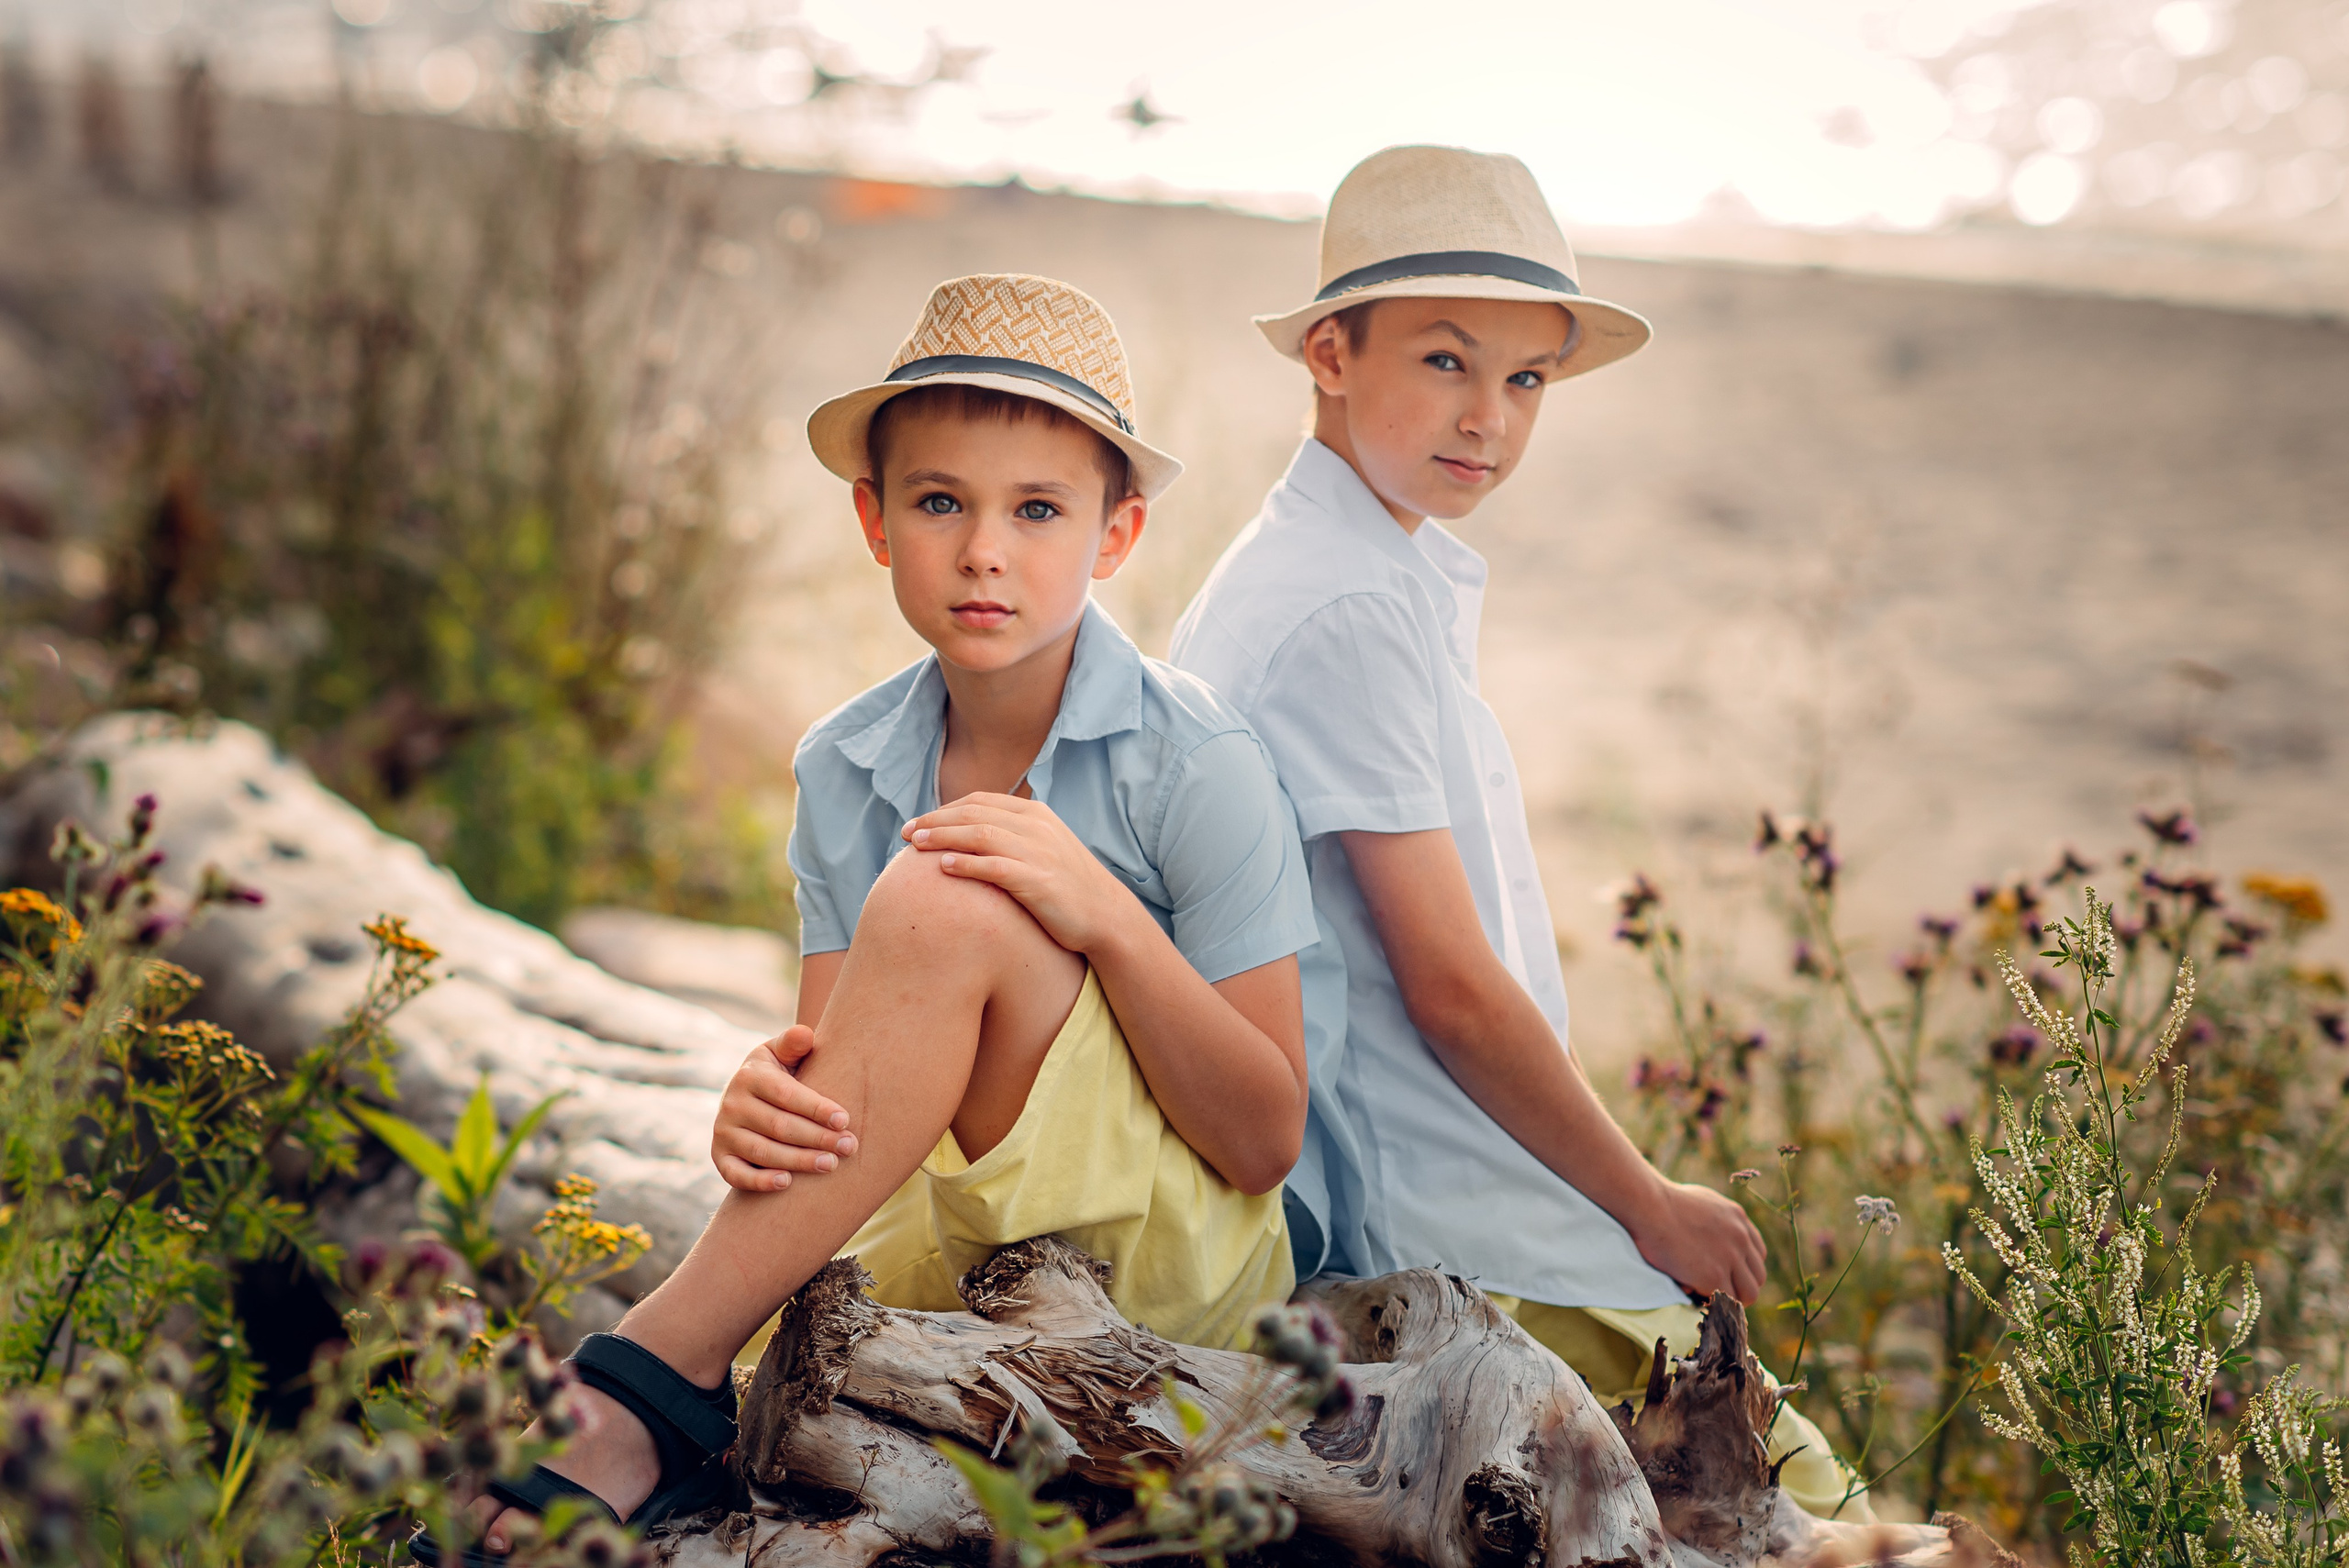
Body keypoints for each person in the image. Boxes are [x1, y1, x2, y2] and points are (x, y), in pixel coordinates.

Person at [430, 273, 1317, 1565]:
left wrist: (1109, 921)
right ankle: (664, 1391)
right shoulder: (847, 765)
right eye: (941, 501)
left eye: (1039, 510)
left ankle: (645, 1387)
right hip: (943, 1262)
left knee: (950, 894)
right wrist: (761, 1098)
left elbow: (1264, 1136)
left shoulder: (1195, 761)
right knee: (934, 898)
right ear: (875, 517)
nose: (984, 551)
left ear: (1115, 537)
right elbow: (839, 1110)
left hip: (1167, 1272)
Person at [1165, 144, 1871, 1519]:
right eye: (1445, 360)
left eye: (1527, 377)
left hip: (1458, 1172)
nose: (1488, 415)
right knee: (1816, 1513)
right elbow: (1452, 990)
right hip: (1452, 1212)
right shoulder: (1349, 606)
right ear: (1329, 351)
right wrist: (1646, 1200)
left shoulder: (1345, 560)